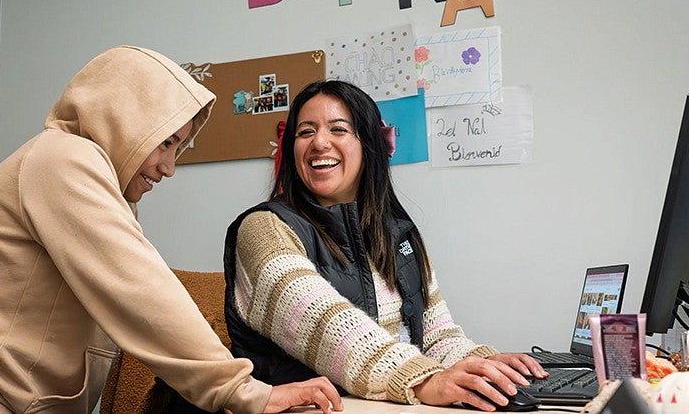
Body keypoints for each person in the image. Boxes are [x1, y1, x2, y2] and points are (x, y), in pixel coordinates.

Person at [0, 46, 342, 414]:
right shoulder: (64, 160)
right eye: (165, 142)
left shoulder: (90, 178)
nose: (168, 167)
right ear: (123, 119)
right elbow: (140, 290)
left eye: (180, 149)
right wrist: (244, 392)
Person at [223, 80, 549, 412]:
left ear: (369, 145)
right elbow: (330, 326)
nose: (319, 142)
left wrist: (488, 365)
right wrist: (424, 380)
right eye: (305, 132)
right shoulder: (263, 229)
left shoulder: (399, 234)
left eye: (338, 129)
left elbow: (435, 335)